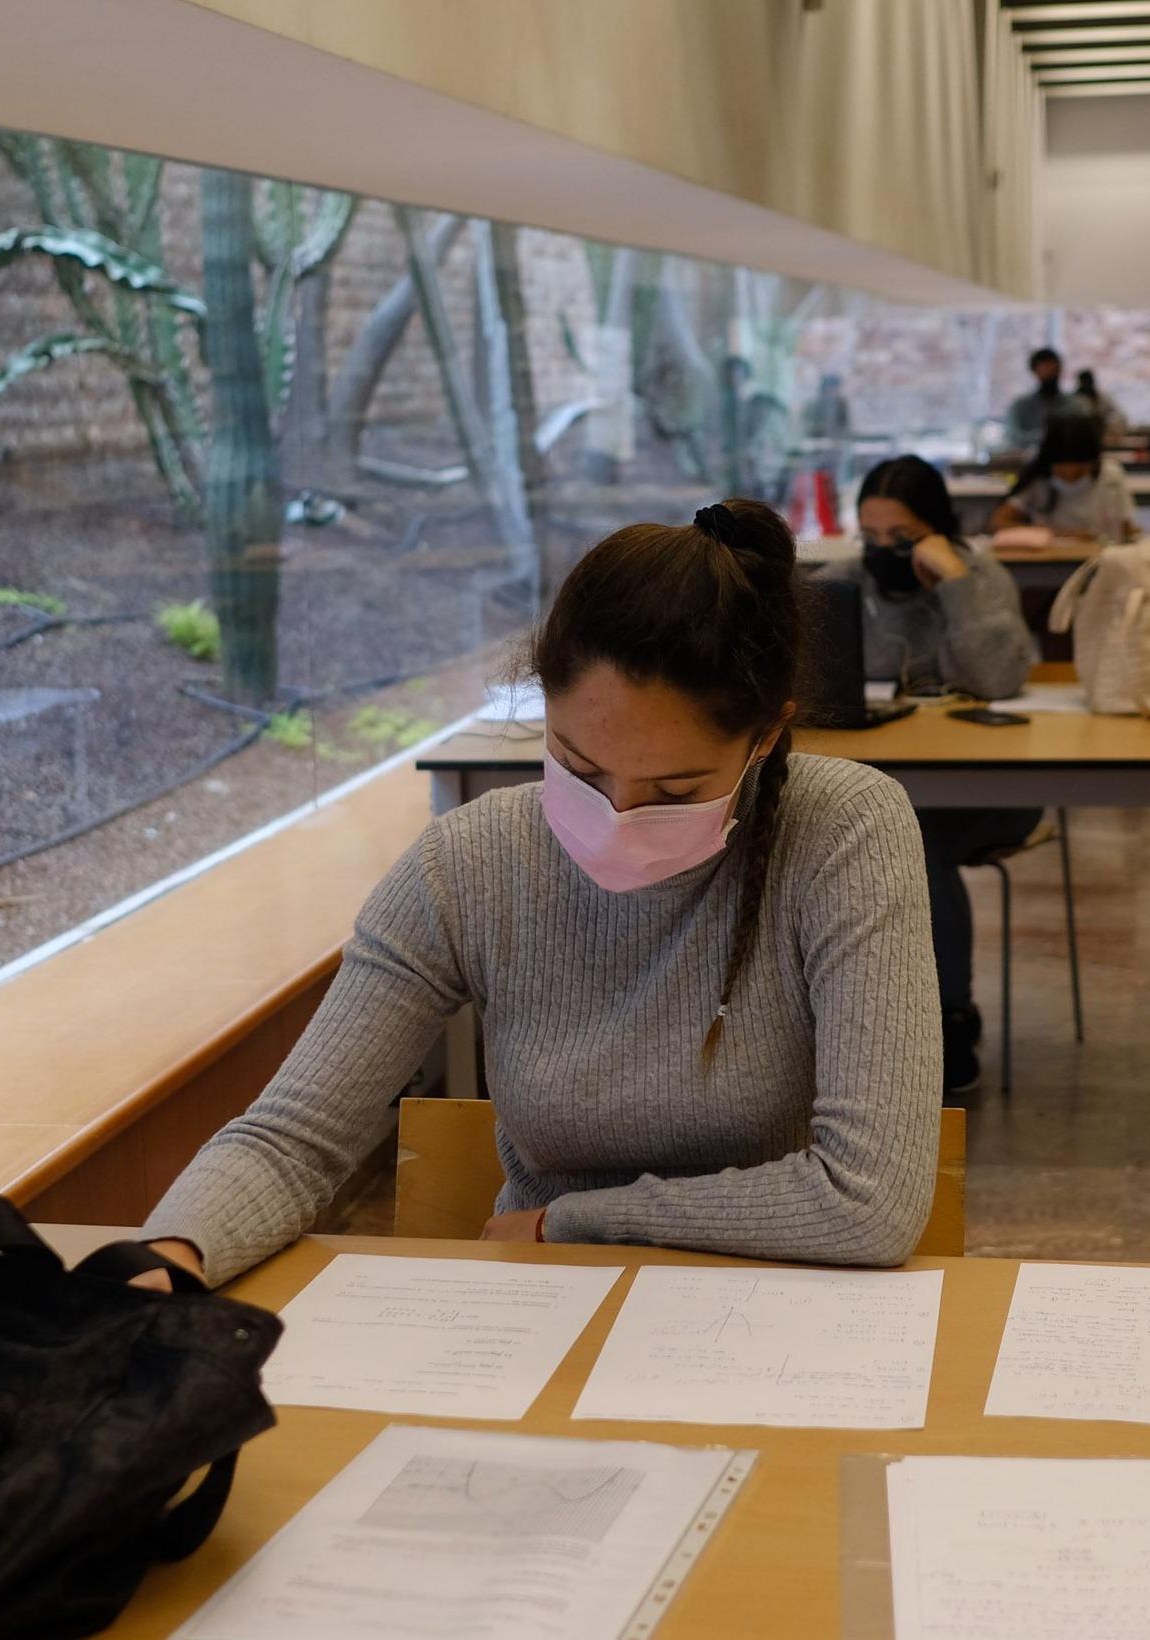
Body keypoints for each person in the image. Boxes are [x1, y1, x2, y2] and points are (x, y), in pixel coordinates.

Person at [141, 501, 941, 1288]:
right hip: (539, 1305)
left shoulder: (843, 831)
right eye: (580, 768)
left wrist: (577, 1220)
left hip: (775, 1300)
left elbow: (865, 1204)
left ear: (766, 737)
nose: (619, 817)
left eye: (675, 789)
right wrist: (167, 1260)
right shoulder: (470, 862)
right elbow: (291, 1141)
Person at [821, 456, 1039, 1093]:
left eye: (903, 539)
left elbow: (998, 678)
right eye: (871, 538)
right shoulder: (840, 585)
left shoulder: (980, 576)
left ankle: (947, 1017)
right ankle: (843, 1027)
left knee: (916, 836)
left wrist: (955, 583)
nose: (883, 553)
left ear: (938, 531)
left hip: (994, 789)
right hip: (870, 788)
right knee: (888, 827)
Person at [989, 412, 1139, 543]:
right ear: (1049, 464)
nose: (1070, 479)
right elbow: (997, 522)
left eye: (1078, 473)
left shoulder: (1110, 476)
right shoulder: (1039, 479)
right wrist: (1056, 535)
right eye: (1061, 473)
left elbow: (1126, 526)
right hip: (1050, 562)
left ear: (1093, 463)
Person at [1002, 347, 1082, 452]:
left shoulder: (1073, 405)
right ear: (1035, 372)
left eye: (1054, 369)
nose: (1050, 374)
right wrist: (1048, 436)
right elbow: (1014, 437)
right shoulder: (1020, 406)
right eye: (1045, 369)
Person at [1073, 367, 1130, 444]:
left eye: (1088, 382)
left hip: (1104, 439)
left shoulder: (1103, 398)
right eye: (1084, 382)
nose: (1086, 385)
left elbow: (1121, 416)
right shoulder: (1074, 400)